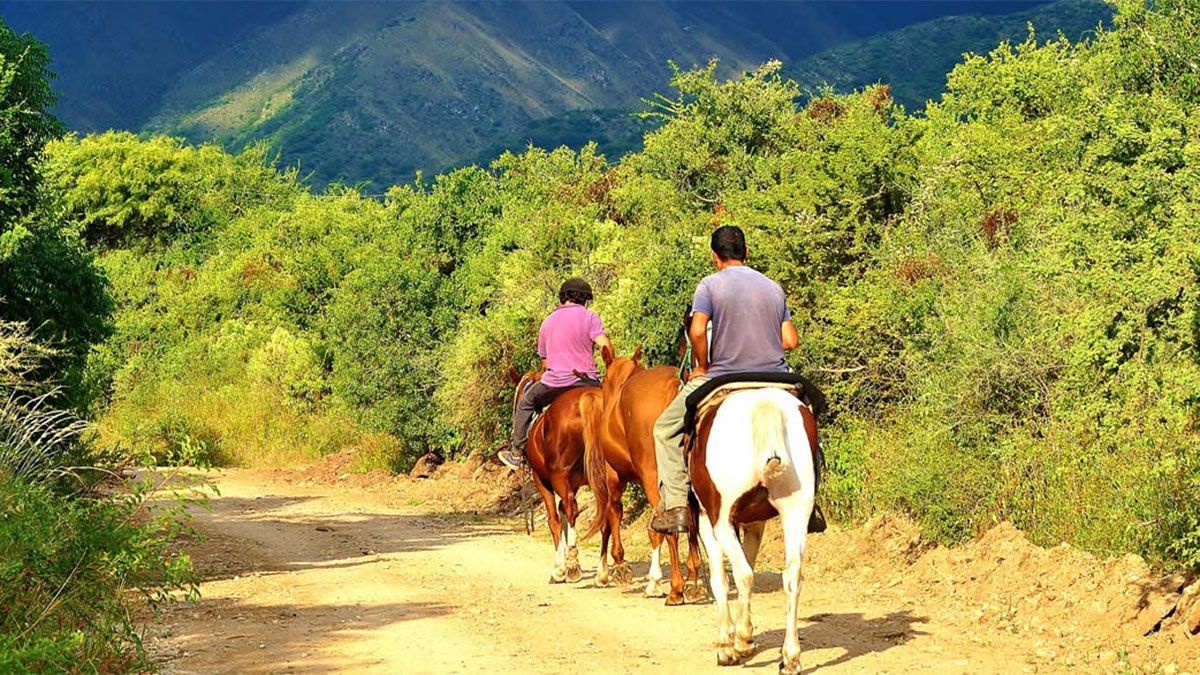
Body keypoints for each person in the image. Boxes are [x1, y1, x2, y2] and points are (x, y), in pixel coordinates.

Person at [650, 225, 799, 533]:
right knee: (807, 416)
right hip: (777, 376)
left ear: (714, 257)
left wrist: (703, 365)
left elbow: (695, 331)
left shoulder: (709, 286)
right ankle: (809, 501)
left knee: (664, 429)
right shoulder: (773, 287)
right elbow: (790, 341)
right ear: (746, 253)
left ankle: (677, 506)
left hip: (723, 376)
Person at [499, 277, 612, 470]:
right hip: (587, 381)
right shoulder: (590, 317)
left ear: (563, 297)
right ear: (585, 299)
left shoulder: (547, 323)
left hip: (555, 382)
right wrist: (610, 368)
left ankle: (517, 452)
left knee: (525, 402)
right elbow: (605, 346)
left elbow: (545, 363)